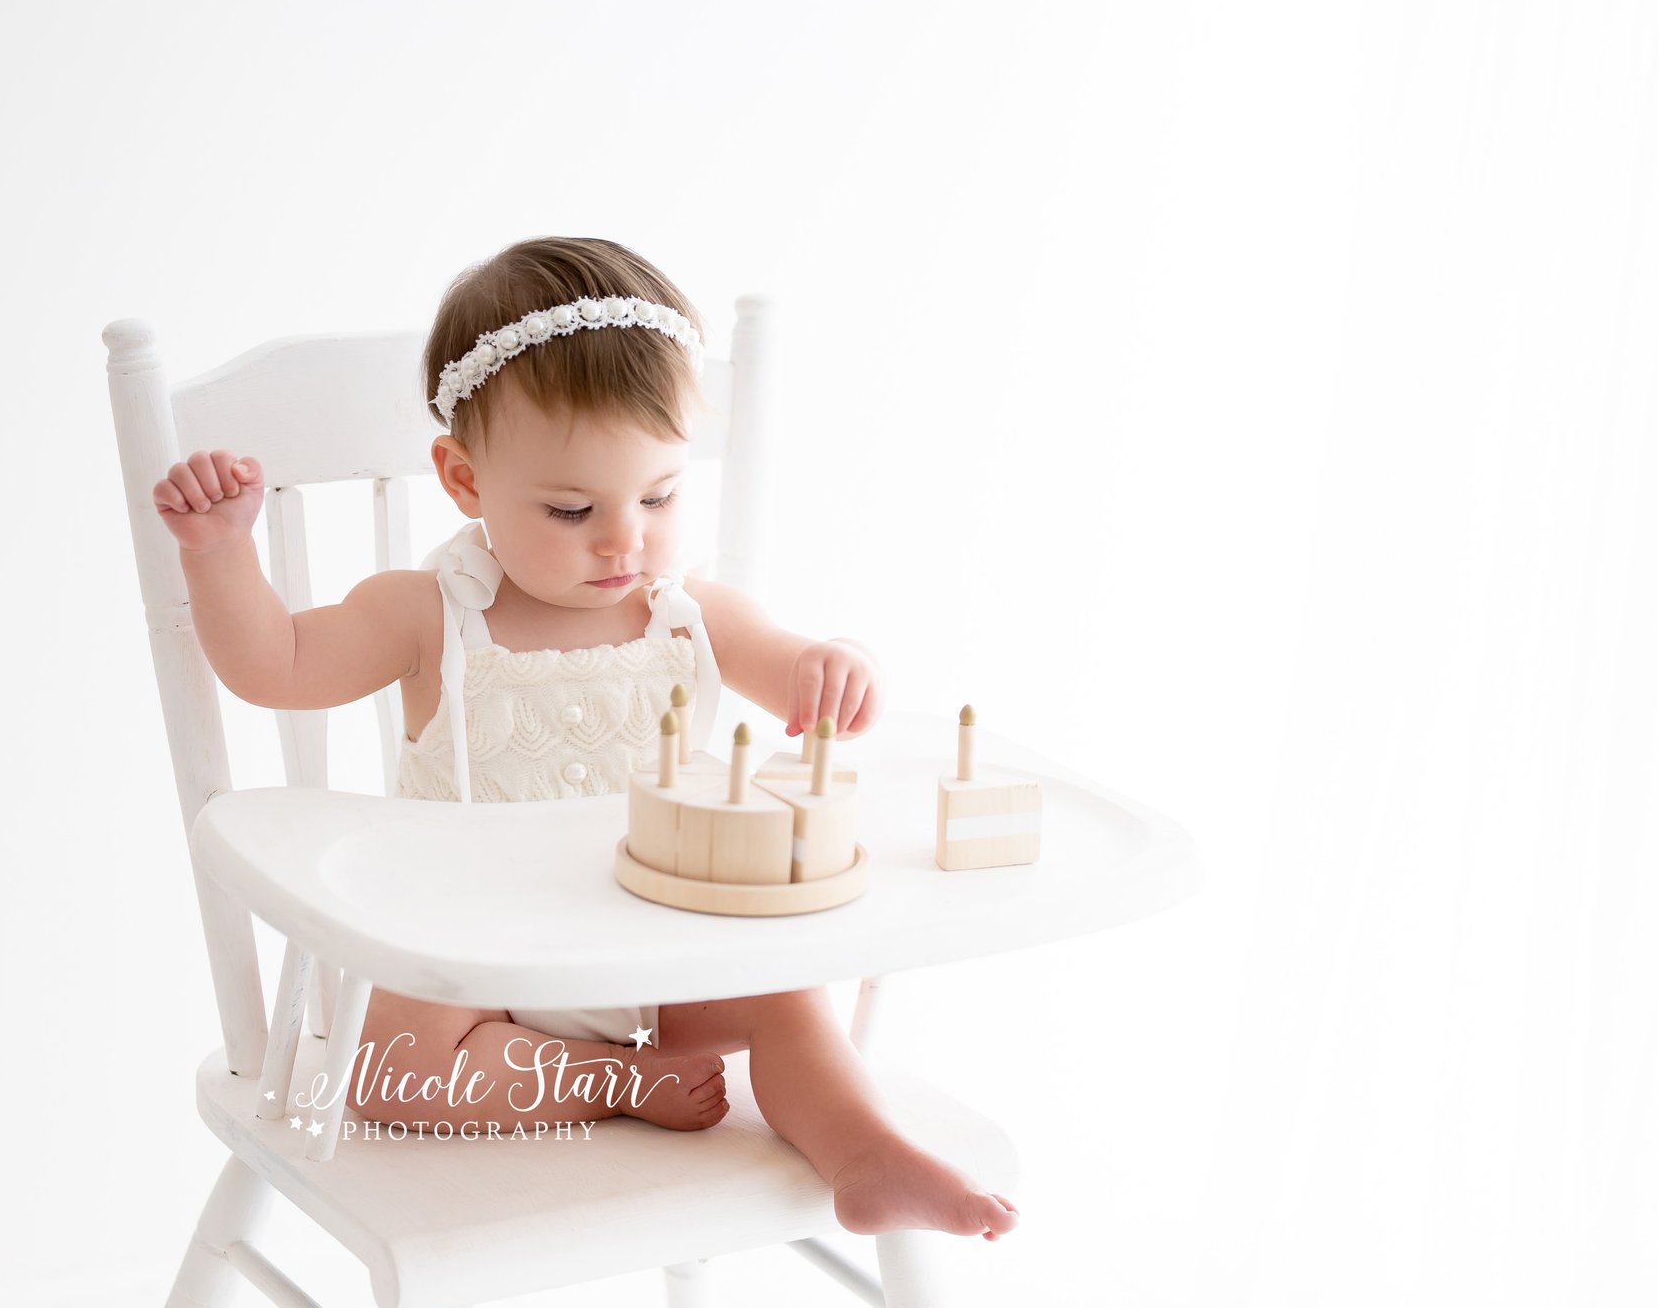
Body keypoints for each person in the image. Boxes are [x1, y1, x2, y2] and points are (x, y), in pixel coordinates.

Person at [154, 236, 1017, 1240]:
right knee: (381, 1063)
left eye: (658, 496)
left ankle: (865, 1151)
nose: (624, 539)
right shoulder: (427, 612)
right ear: (463, 479)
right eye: (571, 509)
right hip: (471, 970)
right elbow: (280, 668)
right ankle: (605, 1082)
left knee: (790, 994)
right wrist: (220, 557)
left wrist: (837, 664)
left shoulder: (689, 613)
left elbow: (799, 669)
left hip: (656, 954)